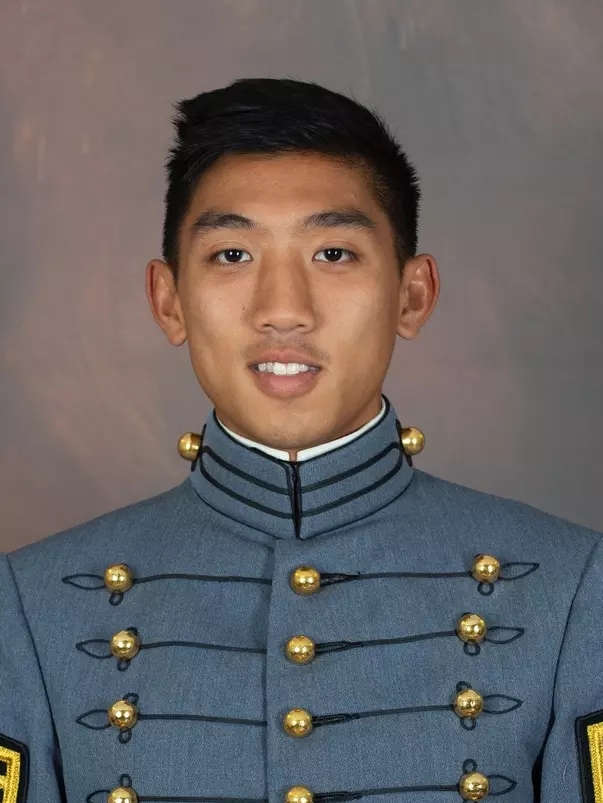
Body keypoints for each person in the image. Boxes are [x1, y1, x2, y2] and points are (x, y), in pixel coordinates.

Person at [1, 77, 601, 803]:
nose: (282, 310)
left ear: (412, 293)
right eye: (231, 255)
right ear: (168, 300)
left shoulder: (573, 589)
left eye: (333, 254)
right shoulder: (30, 605)